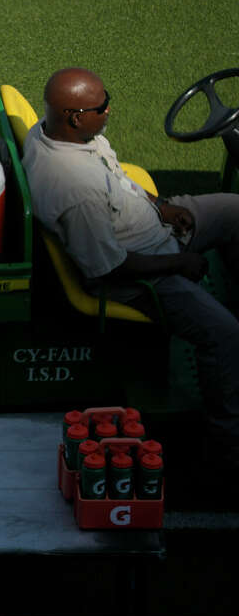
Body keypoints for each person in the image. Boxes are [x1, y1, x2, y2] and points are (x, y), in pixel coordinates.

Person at [23, 67, 239, 472]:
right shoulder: (75, 189)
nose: (109, 110)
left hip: (155, 228)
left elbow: (118, 179)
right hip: (143, 277)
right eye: (103, 106)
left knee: (235, 212)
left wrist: (162, 205)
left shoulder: (57, 131)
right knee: (225, 335)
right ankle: (227, 443)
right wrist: (181, 261)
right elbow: (110, 268)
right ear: (75, 115)